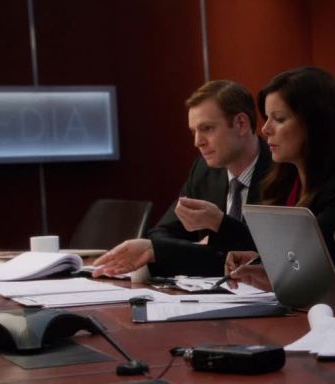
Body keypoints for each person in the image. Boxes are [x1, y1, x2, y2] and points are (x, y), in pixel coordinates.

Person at [225, 67, 335, 289]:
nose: (265, 129)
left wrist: (271, 269)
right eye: (267, 118)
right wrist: (261, 263)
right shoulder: (286, 181)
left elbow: (314, 264)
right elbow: (295, 260)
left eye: (279, 119)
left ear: (315, 123)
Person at [93, 80, 271, 277]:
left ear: (241, 124)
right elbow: (160, 235)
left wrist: (219, 224)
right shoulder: (203, 171)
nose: (197, 142)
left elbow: (271, 253)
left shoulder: (280, 171)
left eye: (207, 128)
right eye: (194, 131)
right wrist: (197, 249)